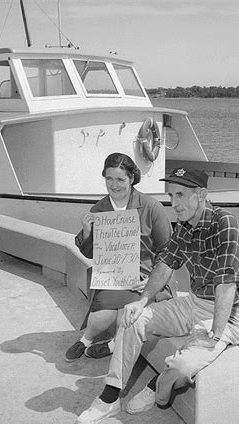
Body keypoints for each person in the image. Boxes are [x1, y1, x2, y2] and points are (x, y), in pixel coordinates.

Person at [75, 167, 239, 424]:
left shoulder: (226, 223)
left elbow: (226, 284)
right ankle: (110, 398)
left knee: (181, 367)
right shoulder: (185, 226)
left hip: (226, 315)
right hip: (192, 303)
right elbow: (166, 264)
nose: (174, 203)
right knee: (132, 318)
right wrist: (142, 300)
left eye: (181, 195)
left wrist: (215, 333)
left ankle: (157, 386)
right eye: (171, 195)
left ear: (202, 194)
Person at [65, 153, 176, 362]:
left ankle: (113, 344)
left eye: (120, 179)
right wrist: (87, 232)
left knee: (129, 314)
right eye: (109, 179)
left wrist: (151, 281)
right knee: (101, 315)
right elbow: (89, 253)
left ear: (131, 178)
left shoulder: (151, 207)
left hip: (146, 277)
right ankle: (85, 340)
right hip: (114, 277)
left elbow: (168, 251)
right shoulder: (99, 209)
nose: (113, 185)